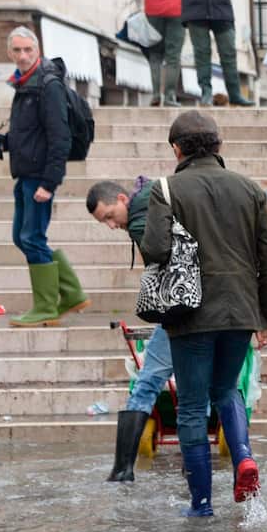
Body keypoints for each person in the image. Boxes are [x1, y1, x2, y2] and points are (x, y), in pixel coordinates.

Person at [139, 111, 267, 517]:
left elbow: (154, 249)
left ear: (177, 148)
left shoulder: (165, 189)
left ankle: (201, 503)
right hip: (240, 311)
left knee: (190, 405)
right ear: (219, 146)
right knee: (226, 391)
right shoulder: (250, 189)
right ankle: (243, 457)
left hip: (189, 313)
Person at [2, 26, 89, 328]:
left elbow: (59, 137)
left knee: (32, 237)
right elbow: (30, 132)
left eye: (28, 50)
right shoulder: (25, 83)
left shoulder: (46, 84)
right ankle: (71, 293)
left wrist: (49, 183)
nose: (23, 56)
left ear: (38, 50)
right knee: (21, 237)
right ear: (10, 53)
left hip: (40, 177)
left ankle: (46, 306)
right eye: (17, 51)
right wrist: (2, 141)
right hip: (25, 174)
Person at [86, 177, 172, 483]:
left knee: (148, 382)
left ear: (122, 198)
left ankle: (122, 470)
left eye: (109, 216)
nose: (111, 225)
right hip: (212, 308)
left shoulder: (139, 222)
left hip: (180, 312)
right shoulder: (158, 193)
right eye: (103, 222)